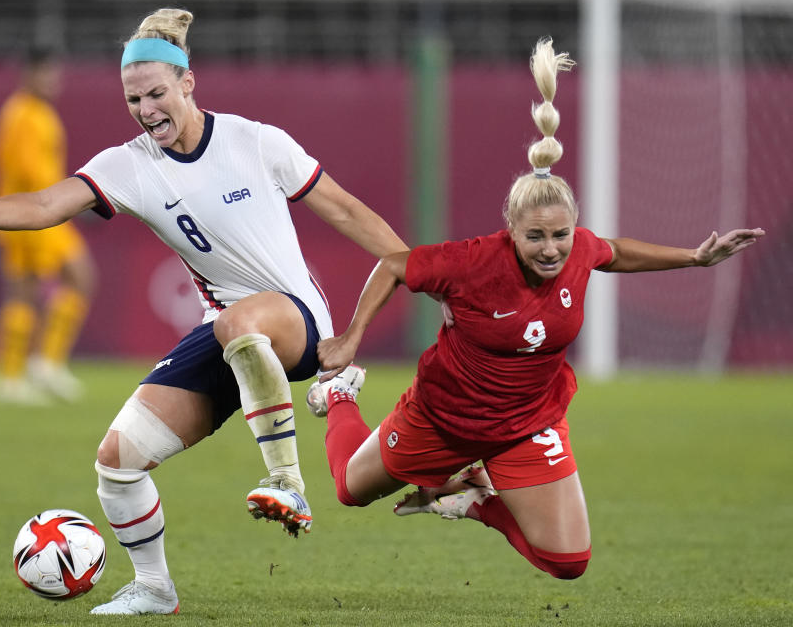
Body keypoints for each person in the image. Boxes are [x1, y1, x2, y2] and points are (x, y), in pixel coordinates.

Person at [0, 8, 409, 615]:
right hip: (227, 333)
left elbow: (349, 212)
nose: (147, 110)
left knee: (237, 323)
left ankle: (287, 481)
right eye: (133, 100)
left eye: (156, 94)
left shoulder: (256, 142)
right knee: (116, 464)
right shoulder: (130, 165)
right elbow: (49, 203)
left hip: (296, 320)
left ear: (188, 83)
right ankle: (154, 587)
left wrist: (409, 279)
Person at [308, 37, 765, 582]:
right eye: (536, 237)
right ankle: (340, 396)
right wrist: (351, 339)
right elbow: (394, 266)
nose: (551, 249)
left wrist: (695, 257)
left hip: (527, 423)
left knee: (568, 563)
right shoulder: (471, 263)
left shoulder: (579, 251)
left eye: (561, 235)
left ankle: (475, 498)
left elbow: (614, 252)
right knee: (347, 490)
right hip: (442, 418)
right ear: (511, 231)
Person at [0, 46, 97, 405]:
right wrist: (65, 201)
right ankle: (13, 376)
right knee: (29, 290)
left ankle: (39, 366)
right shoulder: (21, 114)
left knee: (69, 281)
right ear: (29, 74)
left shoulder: (38, 113)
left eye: (55, 74)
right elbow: (24, 169)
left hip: (46, 212)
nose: (53, 81)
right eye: (46, 74)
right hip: (30, 215)